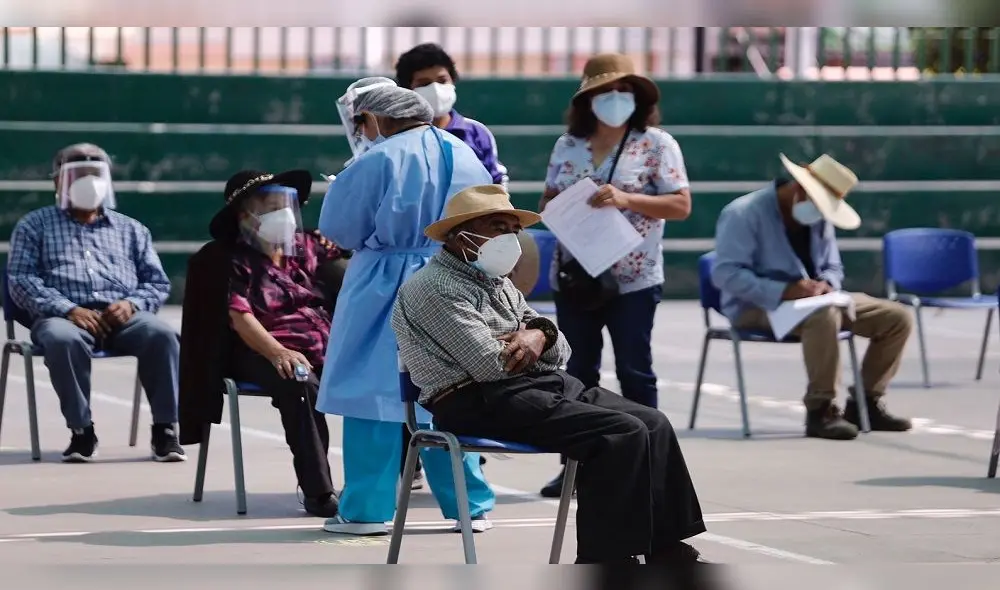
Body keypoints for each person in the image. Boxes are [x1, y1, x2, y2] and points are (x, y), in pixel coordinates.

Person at [391, 184, 708, 565]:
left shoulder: (496, 281)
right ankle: (604, 560)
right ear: (462, 236)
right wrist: (531, 340)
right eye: (498, 227)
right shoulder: (434, 288)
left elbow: (560, 353)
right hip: (473, 398)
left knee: (653, 423)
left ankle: (663, 546)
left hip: (527, 387)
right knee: (618, 432)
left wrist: (538, 334)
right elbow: (491, 365)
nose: (510, 238)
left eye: (514, 229)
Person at [315, 82, 496, 536]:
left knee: (372, 392)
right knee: (448, 388)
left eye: (362, 122)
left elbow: (340, 228)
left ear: (379, 117)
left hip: (383, 280)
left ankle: (366, 510)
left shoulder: (376, 159)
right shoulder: (464, 153)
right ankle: (469, 505)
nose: (361, 131)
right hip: (449, 277)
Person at [536, 53, 692, 498]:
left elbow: (681, 205)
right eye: (606, 91)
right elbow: (547, 200)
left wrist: (626, 199)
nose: (616, 98)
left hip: (634, 277)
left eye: (625, 91)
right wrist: (568, 205)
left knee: (635, 370)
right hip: (576, 274)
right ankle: (576, 465)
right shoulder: (568, 145)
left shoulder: (657, 144)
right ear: (588, 99)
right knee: (576, 372)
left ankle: (650, 465)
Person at [179, 169, 345, 517]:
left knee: (381, 371)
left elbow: (348, 253)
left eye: (285, 205)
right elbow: (239, 316)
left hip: (324, 344)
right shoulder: (227, 259)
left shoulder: (306, 247)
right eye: (270, 208)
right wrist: (277, 351)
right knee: (300, 382)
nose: (283, 214)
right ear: (246, 217)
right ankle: (319, 492)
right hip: (260, 349)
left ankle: (391, 479)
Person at [712, 154, 914, 440]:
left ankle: (865, 403)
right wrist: (785, 290)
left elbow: (833, 266)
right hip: (756, 305)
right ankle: (821, 409)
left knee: (896, 317)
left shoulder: (816, 215)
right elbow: (726, 274)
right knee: (824, 316)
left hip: (816, 301)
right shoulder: (743, 213)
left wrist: (826, 285)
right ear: (799, 190)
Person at [7, 143, 183, 463]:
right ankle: (82, 431)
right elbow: (20, 279)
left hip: (123, 316)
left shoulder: (132, 229)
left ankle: (165, 430)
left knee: (162, 335)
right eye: (77, 174)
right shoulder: (34, 225)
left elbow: (157, 283)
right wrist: (67, 309)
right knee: (62, 339)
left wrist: (131, 304)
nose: (88, 182)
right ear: (57, 181)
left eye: (94, 174)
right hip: (63, 316)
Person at [395, 42, 509, 188]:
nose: (436, 89)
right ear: (408, 90)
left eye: (442, 81)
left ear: (452, 81)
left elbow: (496, 181)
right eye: (424, 84)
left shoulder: (476, 133)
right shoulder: (398, 136)